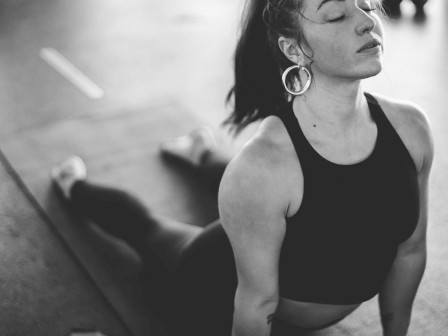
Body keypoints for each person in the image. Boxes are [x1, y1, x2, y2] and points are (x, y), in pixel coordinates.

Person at [51, 0, 434, 335]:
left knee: (291, 195)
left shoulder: (411, 129)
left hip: (275, 204)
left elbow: (410, 251)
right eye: (336, 16)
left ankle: (201, 151)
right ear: (295, 48)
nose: (368, 21)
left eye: (366, 6)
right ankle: (74, 185)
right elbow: (256, 304)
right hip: (209, 283)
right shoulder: (262, 167)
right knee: (150, 228)